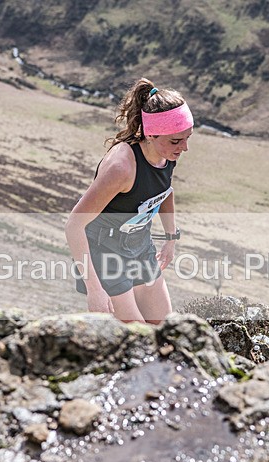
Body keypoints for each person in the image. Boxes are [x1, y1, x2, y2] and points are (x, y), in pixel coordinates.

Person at [65, 78, 192, 324]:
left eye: (188, 137)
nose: (184, 147)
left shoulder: (166, 153)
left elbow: (165, 190)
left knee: (164, 329)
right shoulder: (121, 168)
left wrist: (170, 238)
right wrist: (94, 290)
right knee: (139, 340)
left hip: (140, 245)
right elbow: (74, 225)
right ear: (151, 133)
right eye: (176, 140)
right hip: (105, 253)